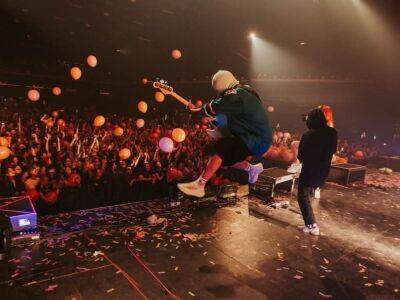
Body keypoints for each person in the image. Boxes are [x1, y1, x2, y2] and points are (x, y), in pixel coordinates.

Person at [177, 70, 272, 198]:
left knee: (221, 148)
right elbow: (230, 116)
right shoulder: (243, 90)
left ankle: (199, 185)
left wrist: (197, 111)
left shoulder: (235, 95)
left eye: (218, 91)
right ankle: (252, 169)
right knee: (226, 158)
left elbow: (215, 107)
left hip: (256, 140)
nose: (218, 94)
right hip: (251, 136)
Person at [297, 108, 337, 235]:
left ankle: (311, 225)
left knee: (302, 196)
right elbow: (332, 150)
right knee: (310, 190)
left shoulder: (308, 135)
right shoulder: (333, 133)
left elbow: (301, 155)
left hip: (309, 170)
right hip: (323, 170)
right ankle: (315, 192)